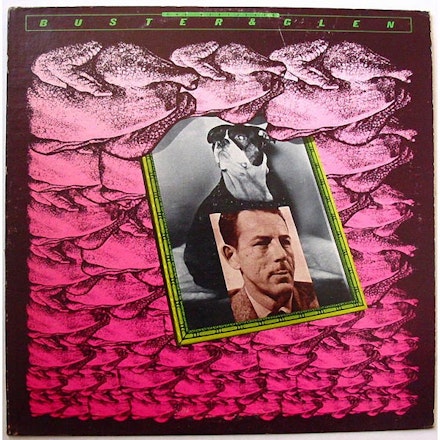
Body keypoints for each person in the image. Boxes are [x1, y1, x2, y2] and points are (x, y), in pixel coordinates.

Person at [219, 208, 319, 322]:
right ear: (232, 256)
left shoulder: (321, 294)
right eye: (262, 243)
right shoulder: (218, 315)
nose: (281, 254)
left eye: (285, 242)